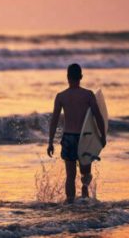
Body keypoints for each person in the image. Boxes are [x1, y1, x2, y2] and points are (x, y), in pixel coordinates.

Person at [47, 63, 106, 203]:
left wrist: (50, 142)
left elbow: (54, 121)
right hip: (84, 138)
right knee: (86, 173)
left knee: (70, 176)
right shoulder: (88, 95)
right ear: (81, 77)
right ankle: (85, 197)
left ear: (67, 77)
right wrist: (102, 136)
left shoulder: (61, 96)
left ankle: (70, 203)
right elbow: (98, 117)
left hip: (68, 138)